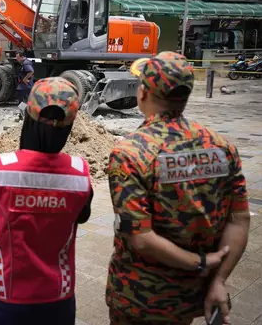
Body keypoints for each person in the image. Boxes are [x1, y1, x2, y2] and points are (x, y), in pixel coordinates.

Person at [106, 51, 249, 325]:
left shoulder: (131, 152)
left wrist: (200, 261)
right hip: (191, 298)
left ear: (144, 93)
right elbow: (239, 219)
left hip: (139, 299)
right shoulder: (222, 147)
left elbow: (141, 237)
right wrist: (218, 279)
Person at [0, 77, 94, 325]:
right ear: (69, 126)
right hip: (57, 301)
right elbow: (83, 214)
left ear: (28, 115)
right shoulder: (80, 174)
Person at [15, 51, 35, 118]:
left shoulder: (26, 63)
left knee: (23, 101)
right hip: (24, 85)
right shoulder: (25, 62)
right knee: (24, 101)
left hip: (25, 86)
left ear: (22, 57)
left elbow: (31, 71)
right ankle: (23, 114)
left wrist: (25, 79)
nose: (16, 59)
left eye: (17, 57)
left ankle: (23, 115)